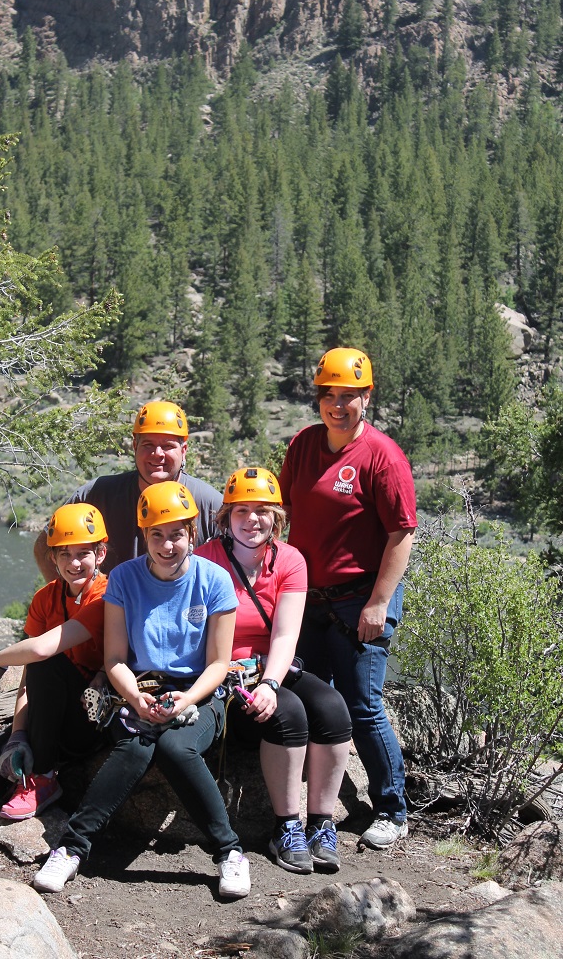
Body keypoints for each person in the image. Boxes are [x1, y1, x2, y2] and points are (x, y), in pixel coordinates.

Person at [32, 481, 251, 900]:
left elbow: (220, 663)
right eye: (157, 535)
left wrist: (187, 700)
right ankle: (72, 849)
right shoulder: (125, 579)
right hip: (139, 685)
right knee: (135, 745)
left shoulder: (214, 581)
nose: (167, 545)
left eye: (176, 534)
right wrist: (135, 698)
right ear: (144, 535)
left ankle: (230, 852)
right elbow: (114, 657)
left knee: (175, 747)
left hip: (199, 691)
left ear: (192, 533)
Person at [279, 347, 417, 850]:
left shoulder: (383, 456)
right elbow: (287, 510)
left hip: (360, 598)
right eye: (329, 396)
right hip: (309, 598)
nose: (339, 406)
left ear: (366, 398)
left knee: (362, 704)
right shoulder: (304, 445)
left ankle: (391, 809)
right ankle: (314, 807)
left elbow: (401, 535)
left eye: (350, 397)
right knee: (309, 699)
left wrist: (379, 604)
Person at [196, 467, 352, 874]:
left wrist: (269, 682)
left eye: (262, 510)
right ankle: (286, 827)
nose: (252, 520)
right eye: (242, 510)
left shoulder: (290, 561)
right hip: (223, 672)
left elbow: (285, 635)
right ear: (225, 517)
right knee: (290, 713)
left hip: (269, 667)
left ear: (277, 517)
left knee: (333, 708)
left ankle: (321, 823)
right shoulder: (205, 559)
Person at [0, 503, 110, 820]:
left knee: (48, 660)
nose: (74, 563)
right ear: (52, 557)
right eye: (64, 554)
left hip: (88, 720)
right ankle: (35, 759)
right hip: (49, 716)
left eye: (83, 553)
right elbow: (30, 679)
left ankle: (43, 779)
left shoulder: (106, 596)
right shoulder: (46, 598)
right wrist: (18, 736)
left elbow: (42, 652)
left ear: (100, 554)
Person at [33, 400, 222, 582]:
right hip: (111, 612)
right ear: (134, 446)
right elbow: (44, 547)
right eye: (148, 445)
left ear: (184, 450)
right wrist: (65, 602)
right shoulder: (98, 495)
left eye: (167, 446)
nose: (157, 454)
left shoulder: (209, 504)